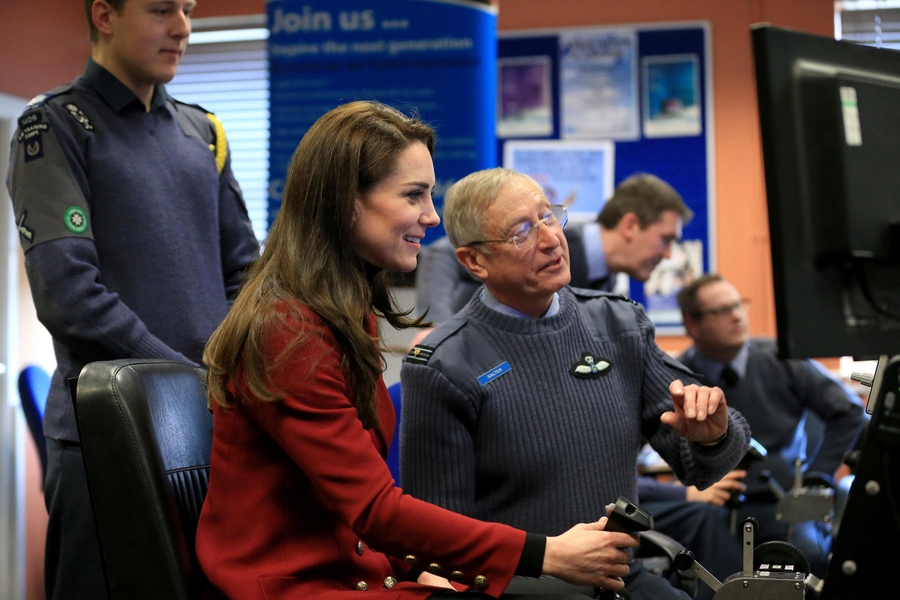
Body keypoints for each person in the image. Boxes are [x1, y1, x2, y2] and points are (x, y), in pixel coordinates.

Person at [195, 100, 661, 600]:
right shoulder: (287, 331)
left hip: (358, 574)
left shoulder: (335, 313)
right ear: (344, 203)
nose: (432, 216)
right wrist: (545, 553)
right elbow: (373, 509)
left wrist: (424, 567)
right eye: (414, 195)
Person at [399, 167, 751, 600]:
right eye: (521, 233)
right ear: (474, 262)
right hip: (521, 588)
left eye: (548, 217)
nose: (550, 239)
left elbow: (699, 466)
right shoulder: (443, 365)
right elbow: (437, 543)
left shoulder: (618, 324)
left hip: (622, 580)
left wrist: (714, 434)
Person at [6, 1, 260, 598]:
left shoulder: (205, 130)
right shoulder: (55, 124)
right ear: (104, 15)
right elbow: (70, 296)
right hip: (106, 442)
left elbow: (247, 277)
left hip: (213, 435)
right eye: (159, 9)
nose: (182, 27)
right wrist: (194, 378)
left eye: (189, 9)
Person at [676, 274, 866, 577]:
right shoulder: (678, 377)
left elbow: (850, 411)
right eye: (722, 310)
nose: (737, 316)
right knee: (703, 576)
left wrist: (819, 474)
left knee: (809, 564)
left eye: (738, 305)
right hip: (713, 508)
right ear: (692, 325)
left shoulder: (780, 358)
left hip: (782, 503)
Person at [415, 173, 692, 325]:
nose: (550, 239)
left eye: (549, 217)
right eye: (666, 239)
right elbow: (442, 252)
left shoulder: (608, 294)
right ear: (631, 225)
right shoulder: (557, 237)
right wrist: (436, 325)